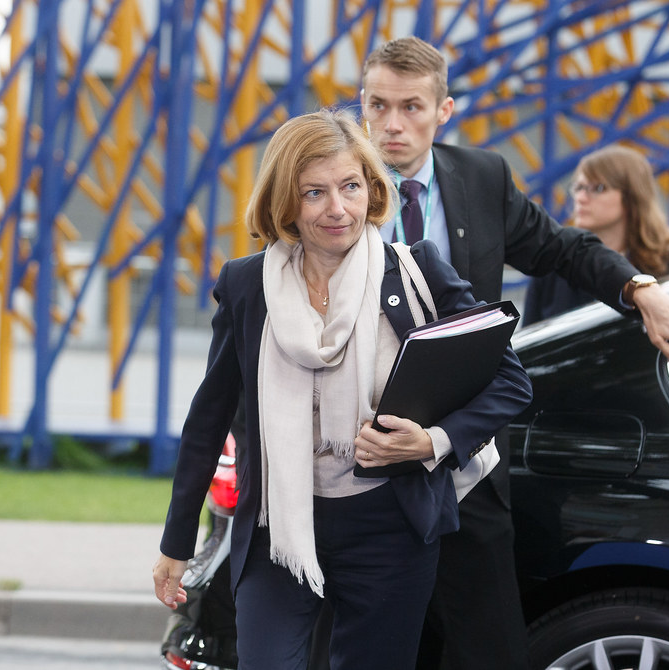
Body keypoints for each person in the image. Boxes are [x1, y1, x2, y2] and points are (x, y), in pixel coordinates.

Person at [359, 36, 669, 669]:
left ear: (445, 110)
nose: (393, 125)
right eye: (378, 105)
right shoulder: (329, 183)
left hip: (462, 460)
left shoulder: (480, 175)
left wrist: (641, 290)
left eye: (412, 107)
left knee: (487, 649)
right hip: (355, 462)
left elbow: (563, 251)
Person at [152, 108, 533, 670]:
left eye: (351, 186)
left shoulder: (415, 271)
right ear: (285, 202)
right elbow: (207, 421)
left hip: (389, 531)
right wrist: (175, 542)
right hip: (277, 529)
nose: (338, 209)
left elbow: (510, 379)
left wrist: (432, 442)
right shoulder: (246, 285)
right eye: (314, 193)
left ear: (372, 189)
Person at [523, 144, 669, 325]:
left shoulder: (666, 260)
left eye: (598, 188)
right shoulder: (552, 261)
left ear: (631, 196)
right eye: (578, 187)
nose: (581, 198)